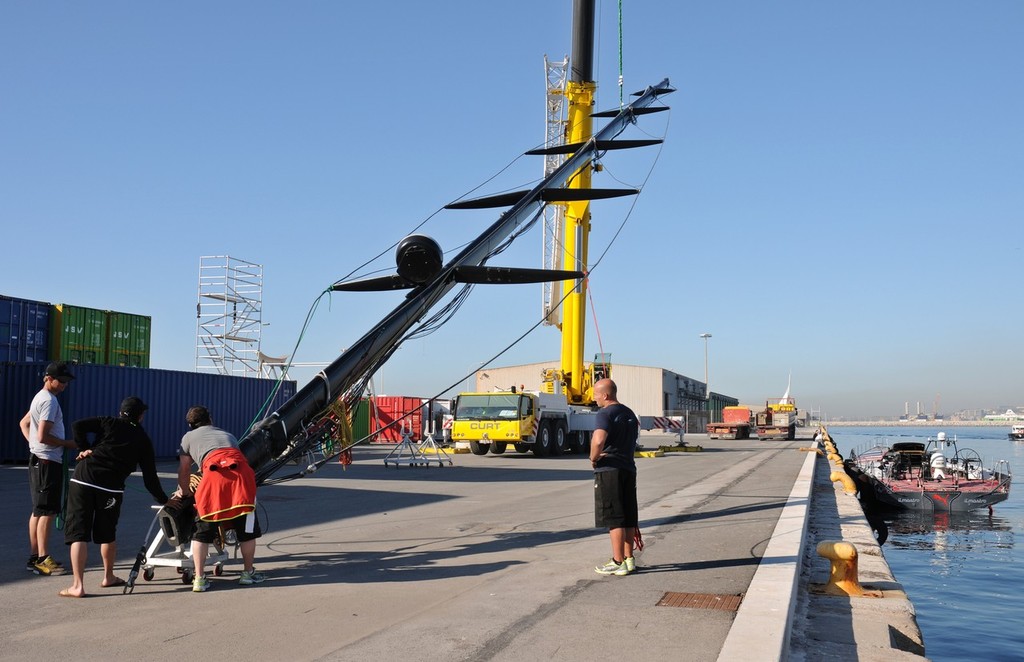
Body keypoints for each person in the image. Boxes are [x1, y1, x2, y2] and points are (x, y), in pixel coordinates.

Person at [60, 396, 169, 598]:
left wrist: (84, 448)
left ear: (121, 412)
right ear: (141, 415)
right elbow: (150, 478)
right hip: (111, 488)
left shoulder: (108, 422)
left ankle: (78, 586)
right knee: (107, 533)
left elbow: (78, 425)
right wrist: (164, 500)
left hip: (84, 479)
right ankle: (108, 576)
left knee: (79, 533)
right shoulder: (143, 440)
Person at [177, 405, 264, 592]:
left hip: (213, 479)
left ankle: (199, 579)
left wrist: (184, 492)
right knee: (246, 530)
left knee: (201, 530)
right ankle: (248, 573)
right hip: (241, 479)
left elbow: (184, 468)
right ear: (210, 419)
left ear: (191, 424)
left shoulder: (188, 438)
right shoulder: (228, 435)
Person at [19, 361, 78, 576]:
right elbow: (44, 435)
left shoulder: (38, 397)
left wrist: (33, 445)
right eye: (61, 381)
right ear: (49, 378)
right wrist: (69, 444)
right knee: (47, 512)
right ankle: (43, 558)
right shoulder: (49, 401)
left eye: (66, 382)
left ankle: (35, 557)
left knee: (38, 511)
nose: (64, 385)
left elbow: (23, 423)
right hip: (47, 462)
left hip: (40, 458)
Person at [589, 378, 640, 576]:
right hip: (628, 468)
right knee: (628, 516)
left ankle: (617, 561)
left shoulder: (604, 413)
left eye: (595, 394)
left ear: (605, 395)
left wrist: (593, 458)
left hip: (609, 470)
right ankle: (629, 559)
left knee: (614, 517)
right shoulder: (628, 413)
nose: (594, 399)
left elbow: (599, 439)